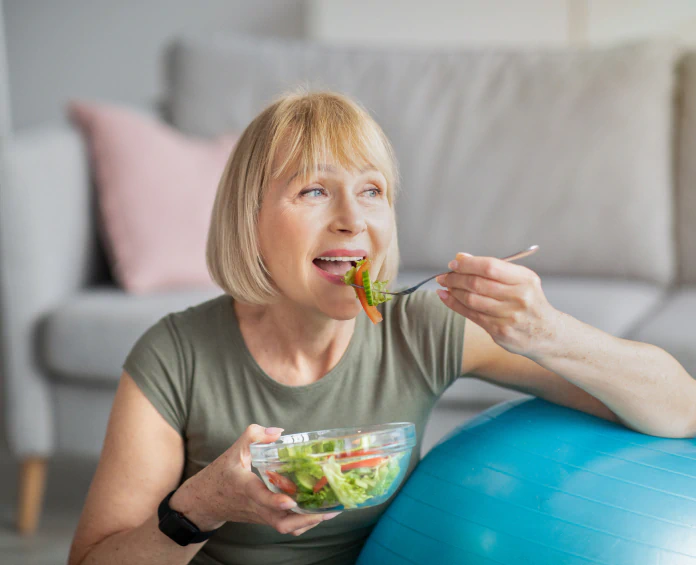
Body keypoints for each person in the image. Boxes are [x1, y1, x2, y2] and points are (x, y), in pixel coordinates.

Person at [68, 90, 696, 565]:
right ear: (249, 219)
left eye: (372, 191)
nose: (353, 220)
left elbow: (680, 409)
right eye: (314, 191)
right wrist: (199, 507)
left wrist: (550, 333)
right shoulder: (174, 355)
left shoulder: (419, 325)